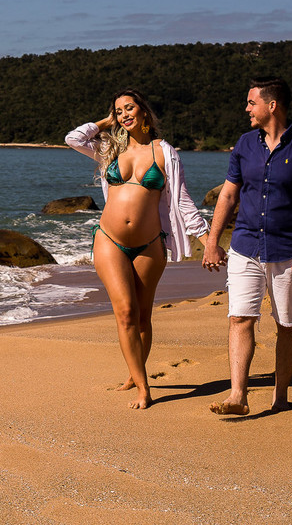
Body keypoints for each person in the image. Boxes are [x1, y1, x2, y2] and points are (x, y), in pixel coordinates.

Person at [66, 89, 210, 410]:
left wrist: (206, 238)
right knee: (127, 313)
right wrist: (105, 122)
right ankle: (144, 388)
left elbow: (182, 200)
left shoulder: (165, 153)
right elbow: (73, 138)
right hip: (109, 240)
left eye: (129, 108)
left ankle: (135, 372)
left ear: (144, 110)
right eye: (118, 112)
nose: (124, 115)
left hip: (149, 244)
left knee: (144, 317)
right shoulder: (108, 148)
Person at [202, 76, 292, 415]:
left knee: (286, 324)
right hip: (245, 245)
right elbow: (229, 194)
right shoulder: (244, 144)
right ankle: (237, 396)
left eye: (251, 102)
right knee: (239, 318)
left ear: (271, 105)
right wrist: (212, 241)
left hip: (291, 251)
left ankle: (281, 397)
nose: (246, 108)